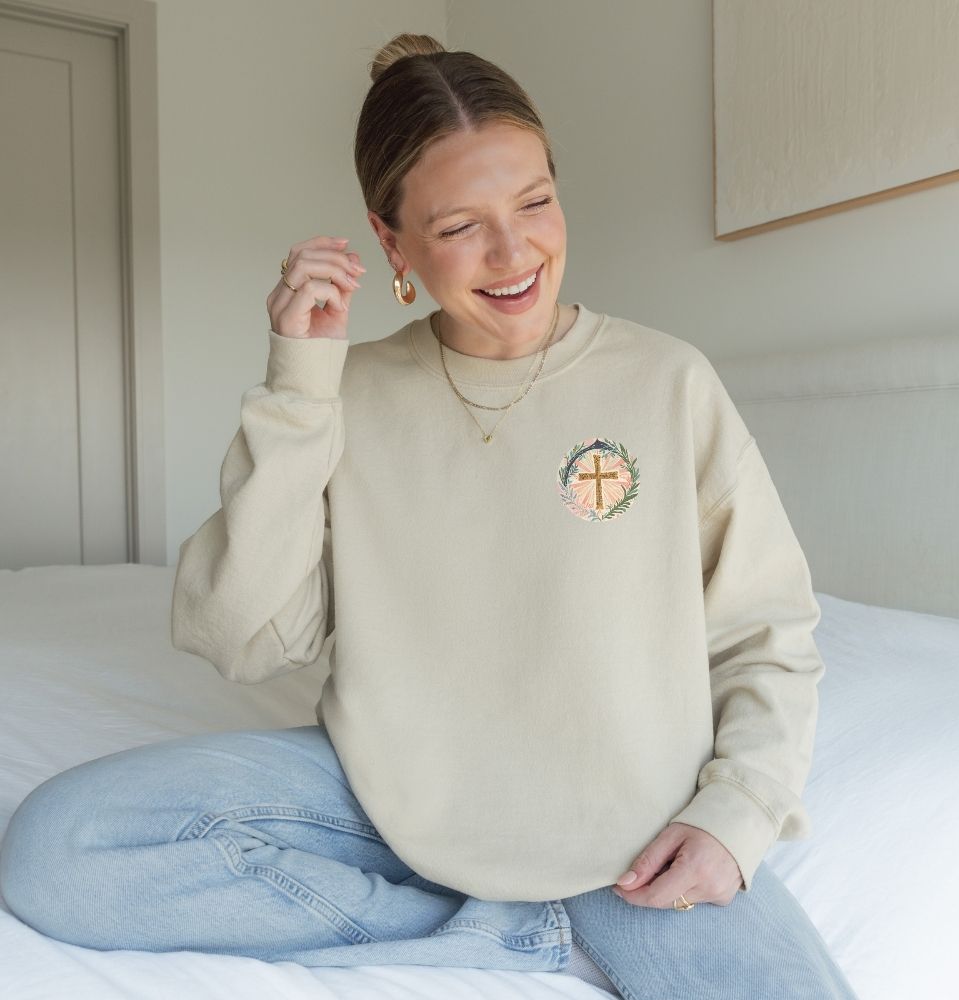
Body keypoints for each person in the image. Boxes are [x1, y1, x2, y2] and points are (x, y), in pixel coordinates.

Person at [0, 33, 858, 1000]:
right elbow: (238, 637)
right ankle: (496, 935)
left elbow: (767, 633)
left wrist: (734, 817)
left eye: (535, 202)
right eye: (459, 226)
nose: (514, 251)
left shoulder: (667, 380)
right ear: (391, 240)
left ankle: (512, 915)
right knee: (58, 848)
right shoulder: (348, 391)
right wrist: (299, 382)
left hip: (628, 834)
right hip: (385, 798)